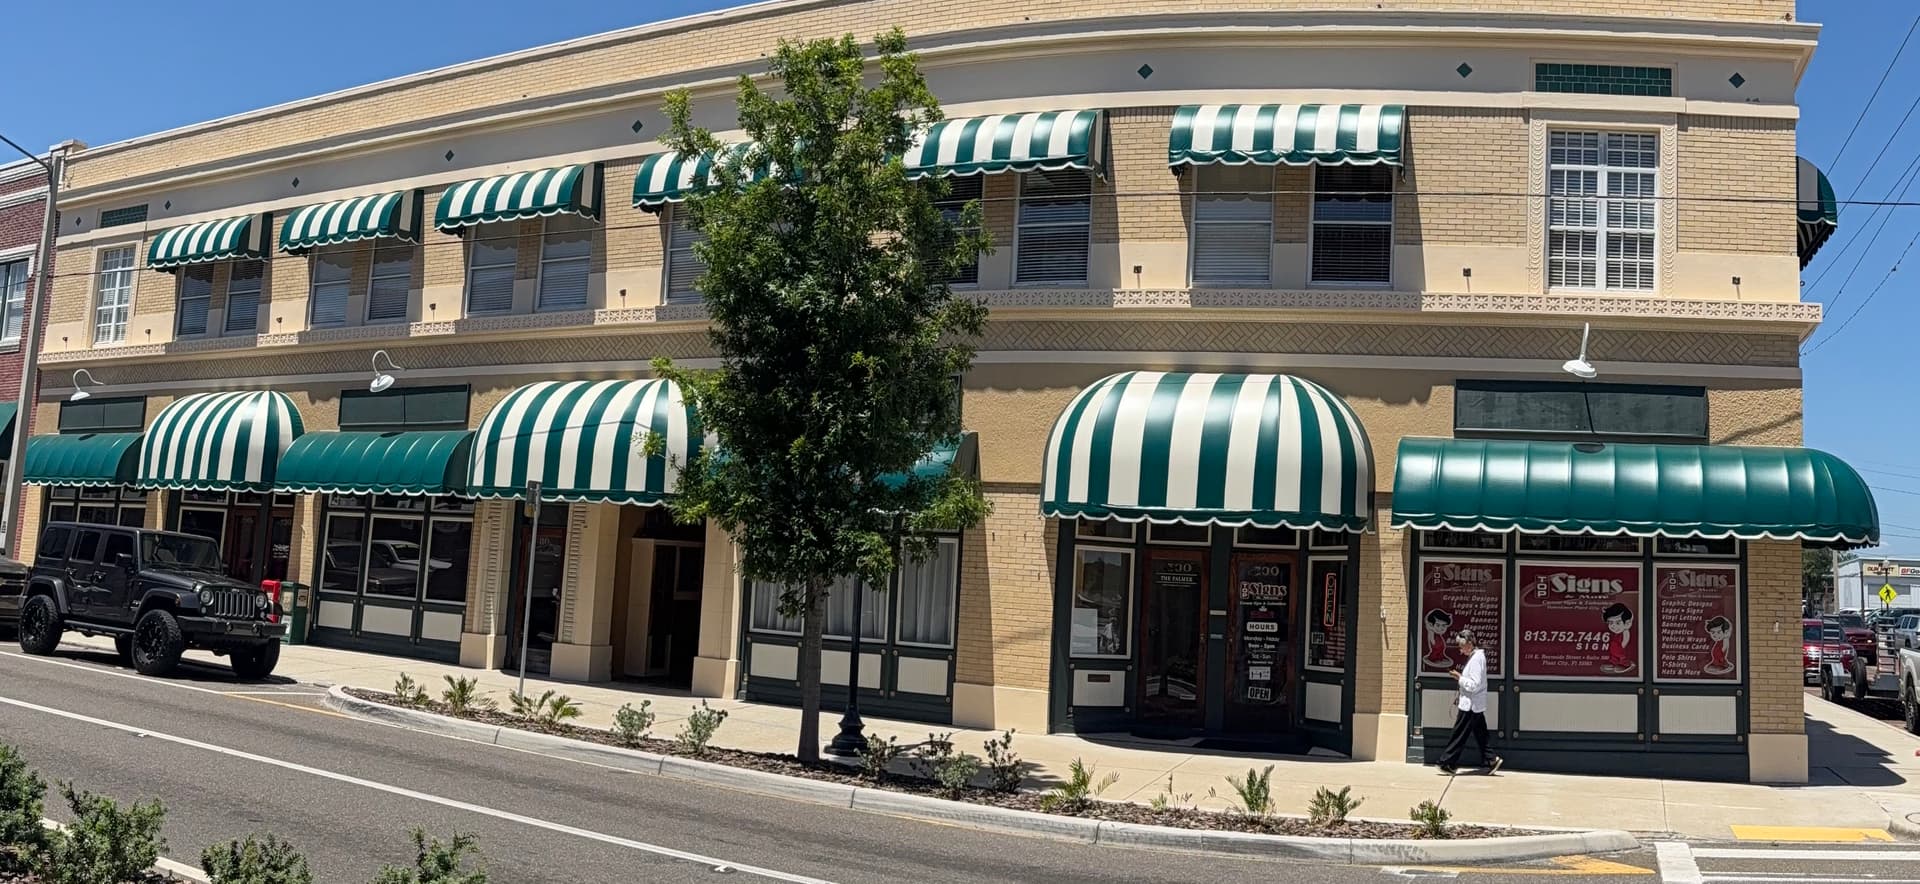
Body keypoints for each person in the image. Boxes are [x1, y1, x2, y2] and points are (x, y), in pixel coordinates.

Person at [1437, 628, 1503, 775]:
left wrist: (1459, 678)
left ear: (1469, 644)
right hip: (1473, 704)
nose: (1460, 651)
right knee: (1480, 733)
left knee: (1459, 734)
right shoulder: (1476, 657)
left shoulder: (1477, 659)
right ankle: (1491, 759)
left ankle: (1446, 762)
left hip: (1470, 705)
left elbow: (1474, 684)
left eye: (1461, 647)